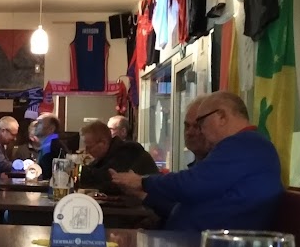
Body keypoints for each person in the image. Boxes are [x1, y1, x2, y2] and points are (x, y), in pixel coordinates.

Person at [110, 92, 282, 232]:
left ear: (222, 116)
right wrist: (143, 192)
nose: (200, 131)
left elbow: (192, 184)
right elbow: (192, 200)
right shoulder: (244, 146)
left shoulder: (245, 145)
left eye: (201, 123)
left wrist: (143, 182)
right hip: (194, 245)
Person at [76, 120, 159, 193]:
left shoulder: (128, 151)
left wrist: (77, 172)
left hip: (149, 203)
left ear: (103, 143)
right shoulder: (110, 153)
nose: (86, 151)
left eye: (89, 147)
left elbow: (107, 180)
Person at [30, 113, 65, 180]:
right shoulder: (49, 144)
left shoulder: (51, 146)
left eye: (40, 123)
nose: (35, 125)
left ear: (51, 129)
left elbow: (46, 175)